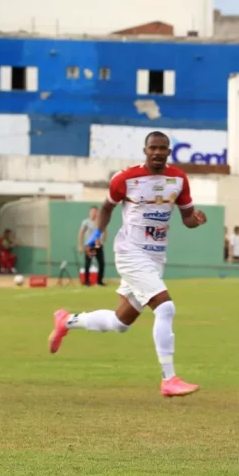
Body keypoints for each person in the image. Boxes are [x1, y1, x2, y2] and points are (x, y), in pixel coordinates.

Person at [48, 131, 208, 397]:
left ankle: (67, 322)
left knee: (120, 323)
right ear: (145, 150)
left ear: (169, 152)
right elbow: (107, 207)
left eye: (162, 148)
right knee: (165, 307)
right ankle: (169, 379)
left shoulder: (178, 179)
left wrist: (197, 220)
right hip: (130, 252)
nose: (157, 152)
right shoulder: (125, 179)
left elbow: (187, 218)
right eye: (152, 148)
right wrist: (97, 235)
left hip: (156, 257)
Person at [78, 206, 106, 286]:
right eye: (92, 211)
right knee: (87, 264)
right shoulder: (85, 222)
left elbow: (104, 231)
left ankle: (99, 281)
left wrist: (103, 241)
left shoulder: (99, 222)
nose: (94, 213)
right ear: (90, 212)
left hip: (98, 246)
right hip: (89, 246)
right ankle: (87, 281)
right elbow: (81, 233)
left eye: (95, 211)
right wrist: (80, 245)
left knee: (101, 264)